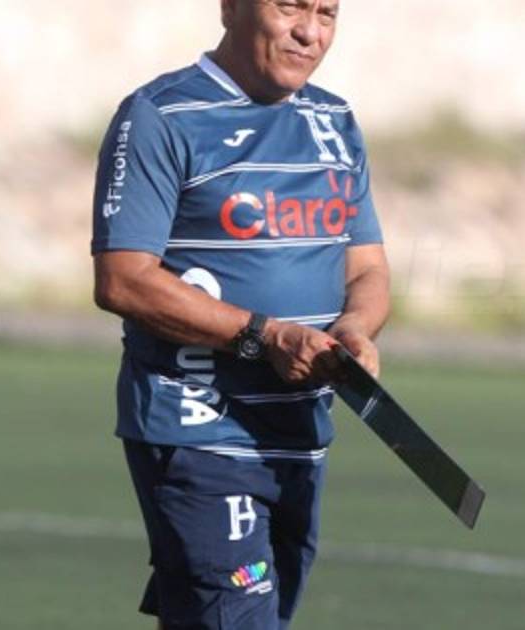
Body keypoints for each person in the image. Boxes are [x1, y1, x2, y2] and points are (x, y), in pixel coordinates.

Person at [90, 0, 389, 627]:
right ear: (231, 7)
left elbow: (366, 269)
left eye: (327, 13)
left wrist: (356, 328)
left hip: (301, 434)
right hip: (200, 429)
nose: (309, 32)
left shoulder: (334, 121)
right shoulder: (160, 115)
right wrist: (262, 336)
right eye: (289, 7)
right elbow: (124, 279)